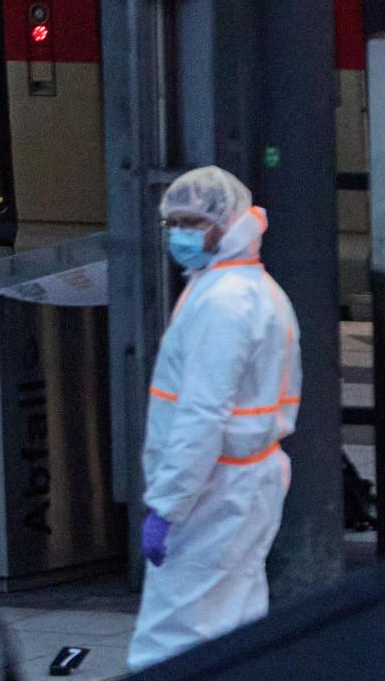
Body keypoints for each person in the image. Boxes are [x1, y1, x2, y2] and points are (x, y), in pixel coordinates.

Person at [128, 166, 303, 670]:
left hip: (214, 488)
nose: (180, 234)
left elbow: (201, 416)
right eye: (174, 222)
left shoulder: (223, 303)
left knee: (177, 634)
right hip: (244, 482)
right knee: (234, 621)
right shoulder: (250, 288)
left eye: (192, 221)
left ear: (228, 224)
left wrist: (168, 504)